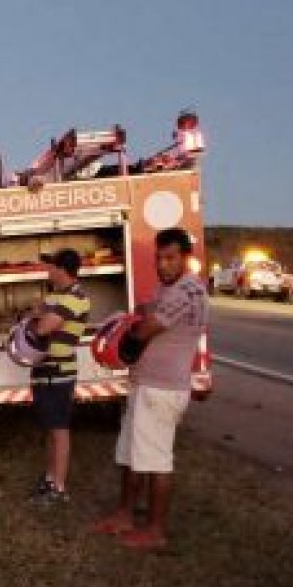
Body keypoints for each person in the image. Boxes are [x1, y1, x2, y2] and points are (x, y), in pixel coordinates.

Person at [92, 229, 208, 550]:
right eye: (158, 258)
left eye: (170, 258)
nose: (162, 265)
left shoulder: (185, 291)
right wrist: (133, 316)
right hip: (146, 385)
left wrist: (126, 329)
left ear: (185, 258)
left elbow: (145, 330)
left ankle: (155, 530)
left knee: (156, 460)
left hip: (162, 390)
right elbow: (145, 311)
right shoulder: (169, 289)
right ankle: (125, 514)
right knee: (130, 454)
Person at [27, 248, 91, 503]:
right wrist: (38, 316)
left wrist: (38, 318)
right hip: (44, 370)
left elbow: (41, 327)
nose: (48, 271)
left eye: (51, 266)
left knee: (59, 430)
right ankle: (50, 478)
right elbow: (34, 316)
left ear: (62, 269)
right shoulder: (55, 297)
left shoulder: (76, 298)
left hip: (59, 373)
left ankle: (59, 488)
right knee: (50, 429)